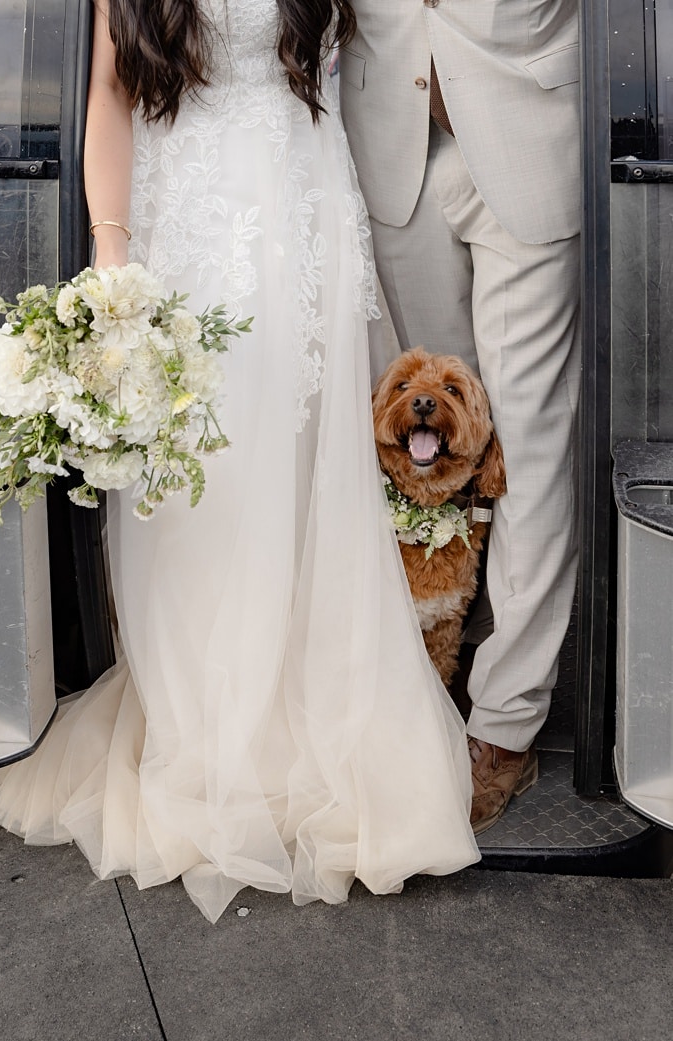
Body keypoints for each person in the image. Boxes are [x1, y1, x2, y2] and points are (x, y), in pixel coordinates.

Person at [0, 0, 480, 922]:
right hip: (184, 218)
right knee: (192, 486)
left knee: (297, 468)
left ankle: (300, 702)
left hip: (301, 208)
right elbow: (107, 89)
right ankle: (206, 726)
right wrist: (111, 256)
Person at [339, 1, 580, 834]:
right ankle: (424, 689)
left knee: (530, 448)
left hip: (529, 126)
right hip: (390, 141)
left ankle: (505, 727)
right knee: (424, 445)